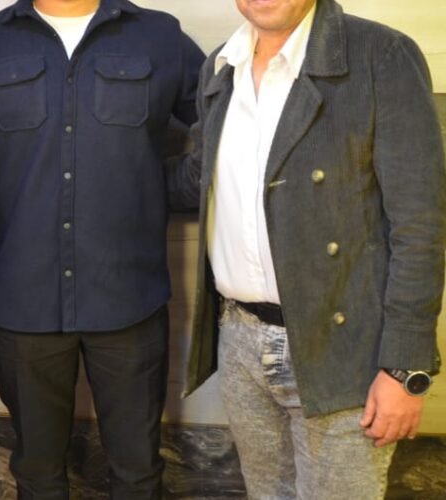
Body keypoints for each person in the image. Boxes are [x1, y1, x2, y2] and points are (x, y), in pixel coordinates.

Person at [173, 0, 446, 498]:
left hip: (344, 348)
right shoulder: (221, 65)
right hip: (239, 339)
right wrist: (103, 173)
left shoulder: (380, 55)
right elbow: (198, 177)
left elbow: (420, 226)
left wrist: (406, 368)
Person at [0, 0, 204, 498]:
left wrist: (165, 185)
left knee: (138, 473)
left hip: (130, 302)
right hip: (23, 304)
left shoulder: (159, 38)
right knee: (37, 475)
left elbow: (231, 122)